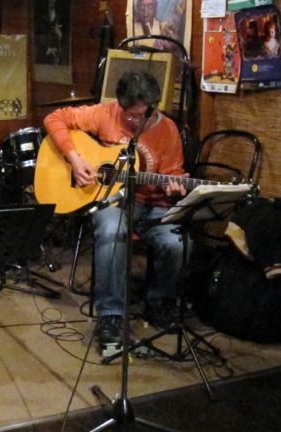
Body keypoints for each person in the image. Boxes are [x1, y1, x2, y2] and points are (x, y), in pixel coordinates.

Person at [43, 71, 189, 353]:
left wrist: (174, 185)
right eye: (130, 115)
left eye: (142, 115)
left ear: (154, 106)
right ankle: (111, 315)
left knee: (177, 241)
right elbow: (54, 119)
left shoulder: (168, 130)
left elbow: (173, 172)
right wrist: (74, 159)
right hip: (112, 200)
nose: (135, 122)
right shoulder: (105, 114)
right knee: (112, 230)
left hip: (151, 205)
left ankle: (159, 303)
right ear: (120, 105)